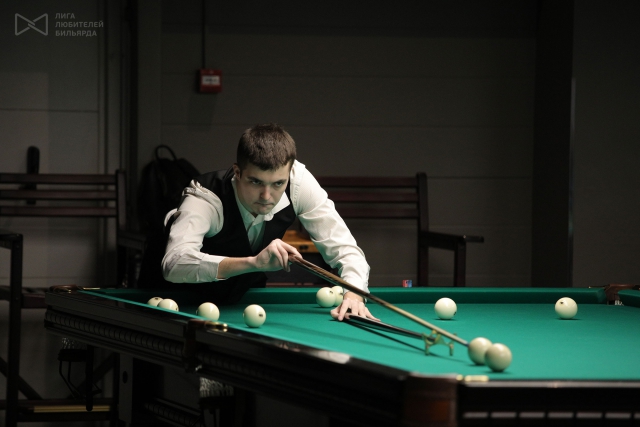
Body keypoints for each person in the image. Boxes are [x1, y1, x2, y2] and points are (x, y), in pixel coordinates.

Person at [161, 123, 376, 321]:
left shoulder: (298, 182)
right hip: (172, 302)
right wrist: (254, 263)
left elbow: (345, 250)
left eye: (278, 184)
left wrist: (354, 294)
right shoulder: (205, 197)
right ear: (237, 172)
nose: (266, 196)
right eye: (256, 182)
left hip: (243, 302)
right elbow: (174, 263)